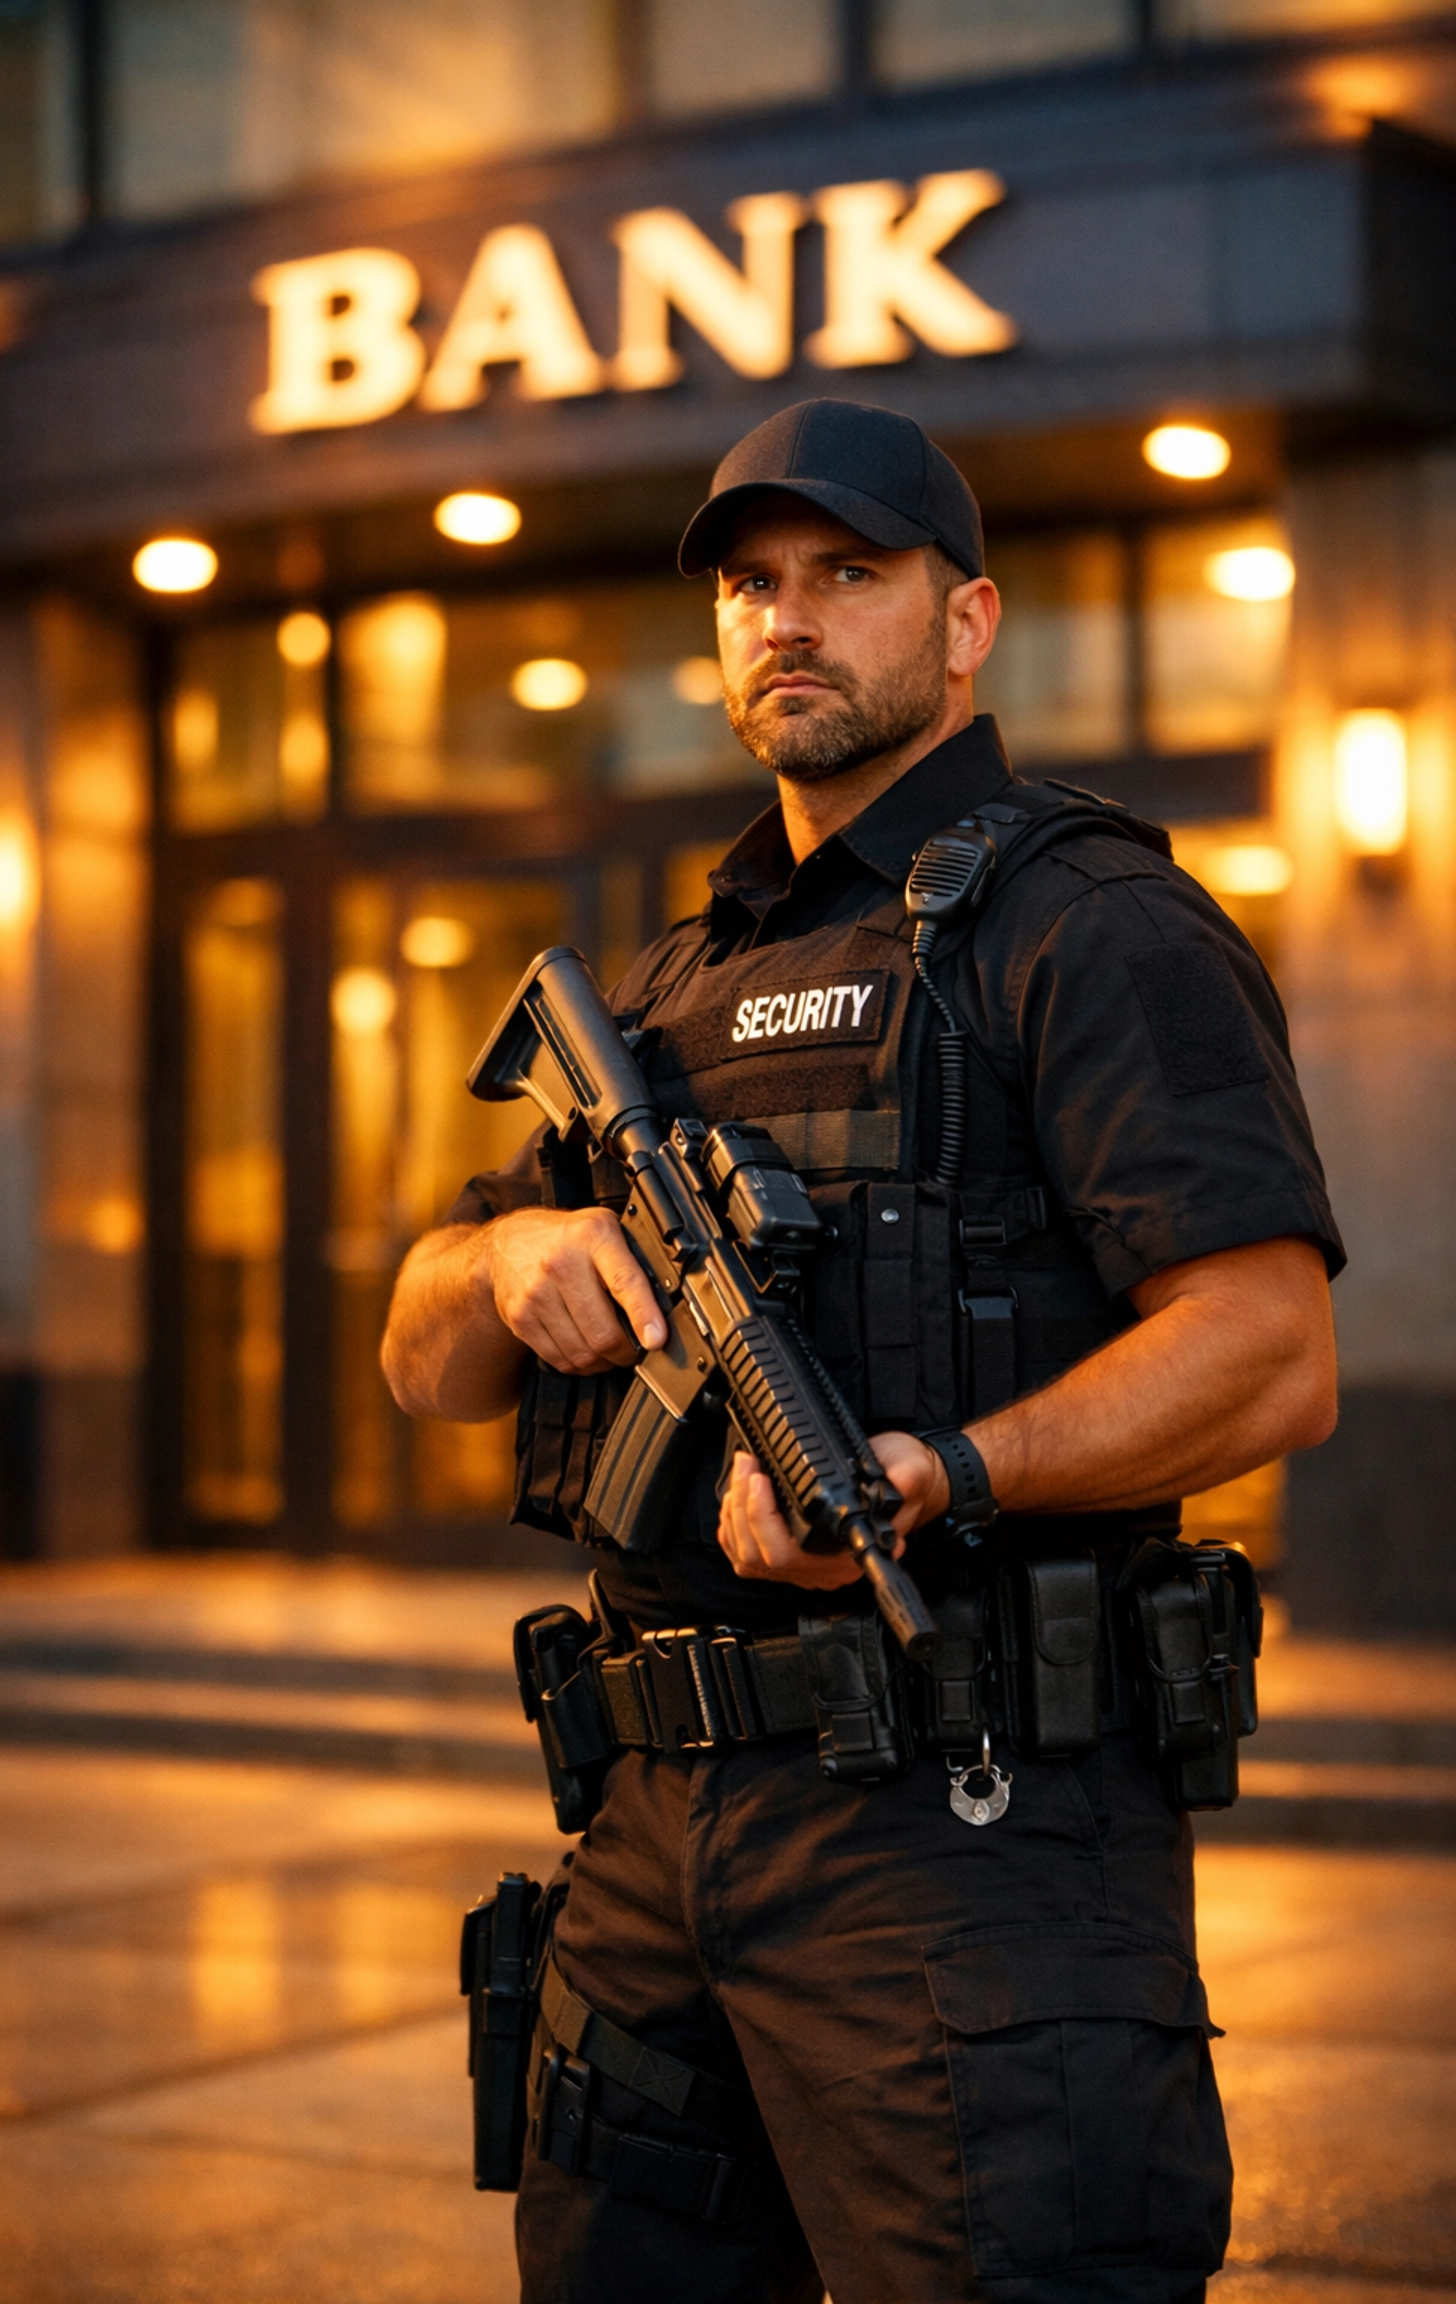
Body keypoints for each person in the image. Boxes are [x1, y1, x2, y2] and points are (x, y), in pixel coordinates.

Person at [382, 399, 1342, 2304]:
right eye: (752, 584)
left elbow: (1269, 1349)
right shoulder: (663, 989)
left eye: (848, 574)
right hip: (650, 1834)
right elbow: (424, 1360)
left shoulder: (1092, 926)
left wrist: (941, 1474)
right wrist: (509, 1255)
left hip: (969, 1838)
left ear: (967, 624)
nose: (787, 618)